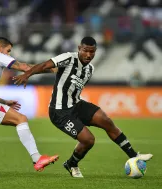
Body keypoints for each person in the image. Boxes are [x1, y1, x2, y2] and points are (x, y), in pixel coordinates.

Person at [13, 36, 153, 178]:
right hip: (59, 112)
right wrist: (28, 74)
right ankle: (71, 164)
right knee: (88, 140)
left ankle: (134, 156)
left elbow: (56, 72)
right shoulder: (68, 58)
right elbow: (45, 65)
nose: (88, 55)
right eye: (85, 50)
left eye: (92, 52)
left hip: (77, 105)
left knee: (106, 121)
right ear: (79, 48)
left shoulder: (89, 69)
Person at [0, 37, 59, 174]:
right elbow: (24, 67)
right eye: (8, 51)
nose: (8, 54)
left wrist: (4, 101)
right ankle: (37, 159)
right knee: (21, 119)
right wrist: (51, 69)